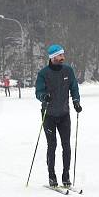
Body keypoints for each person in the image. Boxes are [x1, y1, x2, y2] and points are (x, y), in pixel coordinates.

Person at [35, 44, 81, 188]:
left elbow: (74, 88)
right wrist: (44, 96)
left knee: (66, 146)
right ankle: (51, 176)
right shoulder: (43, 73)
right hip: (48, 115)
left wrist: (76, 102)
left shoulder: (68, 71)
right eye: (60, 55)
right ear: (53, 57)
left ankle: (66, 176)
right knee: (52, 145)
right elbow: (38, 92)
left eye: (63, 55)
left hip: (64, 114)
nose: (63, 57)